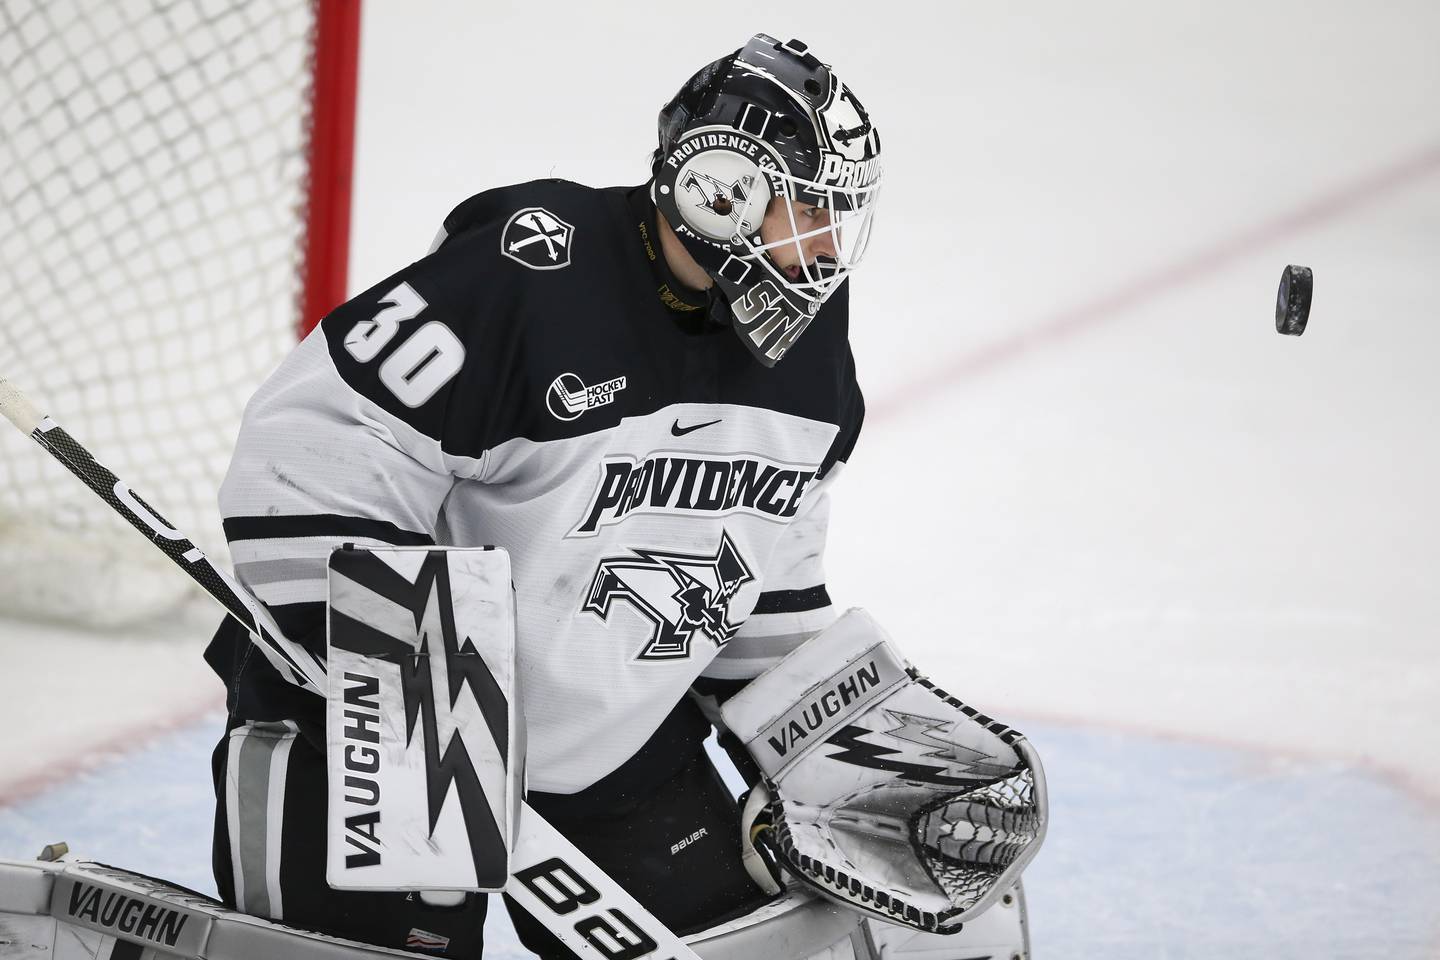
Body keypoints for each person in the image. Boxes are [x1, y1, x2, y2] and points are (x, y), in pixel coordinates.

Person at [206, 33, 882, 957]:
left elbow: (765, 571)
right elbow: (310, 453)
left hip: (617, 752)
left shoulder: (805, 349)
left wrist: (843, 740)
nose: (826, 248)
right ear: (720, 191)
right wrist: (422, 697)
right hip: (373, 739)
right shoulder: (527, 279)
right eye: (809, 212)